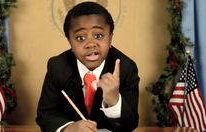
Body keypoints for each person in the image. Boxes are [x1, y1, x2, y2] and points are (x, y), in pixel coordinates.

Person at [36, 2, 140, 132]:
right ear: (70, 42)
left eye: (98, 36)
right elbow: (45, 114)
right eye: (80, 38)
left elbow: (131, 123)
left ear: (110, 38)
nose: (90, 44)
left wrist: (114, 102)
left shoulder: (126, 68)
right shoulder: (57, 66)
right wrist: (68, 128)